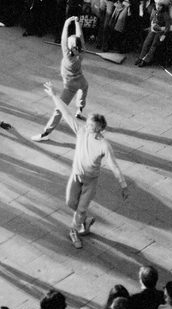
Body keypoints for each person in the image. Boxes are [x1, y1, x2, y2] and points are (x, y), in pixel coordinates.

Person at [41, 82, 128, 249]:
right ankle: (85, 221)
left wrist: (123, 185)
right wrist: (53, 95)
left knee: (80, 209)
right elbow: (66, 113)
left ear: (100, 129)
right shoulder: (81, 131)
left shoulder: (104, 145)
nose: (88, 129)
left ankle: (74, 230)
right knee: (70, 202)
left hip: (90, 181)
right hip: (76, 175)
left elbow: (114, 166)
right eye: (88, 125)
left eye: (92, 127)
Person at [31, 16, 88, 142]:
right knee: (84, 89)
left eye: (69, 43)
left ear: (72, 48)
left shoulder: (68, 57)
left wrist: (67, 23)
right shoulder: (81, 52)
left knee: (59, 109)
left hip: (70, 86)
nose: (67, 43)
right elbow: (80, 36)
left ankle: (46, 133)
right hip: (81, 79)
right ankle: (80, 109)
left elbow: (63, 39)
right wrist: (77, 23)